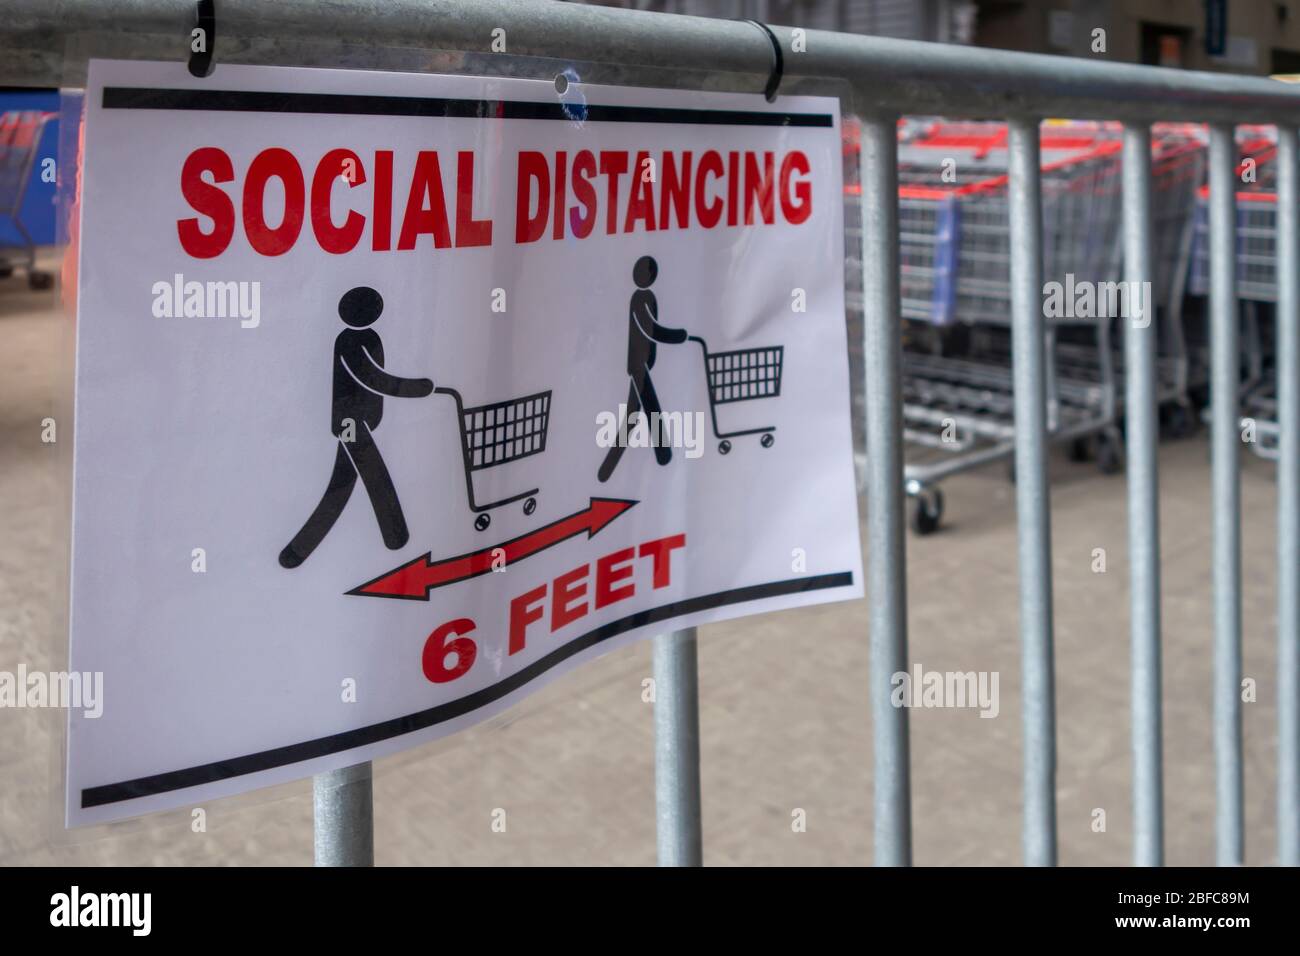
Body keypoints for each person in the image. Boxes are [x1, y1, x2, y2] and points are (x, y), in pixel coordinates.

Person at [279, 286, 433, 568]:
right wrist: (417, 389)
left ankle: (297, 551)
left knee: (341, 487)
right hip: (351, 421)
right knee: (374, 478)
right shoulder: (350, 341)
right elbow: (371, 377)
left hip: (359, 420)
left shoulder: (365, 337)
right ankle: (395, 536)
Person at [598, 256, 688, 482]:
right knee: (649, 410)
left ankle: (609, 468)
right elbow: (650, 330)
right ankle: (663, 453)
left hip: (643, 363)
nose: (645, 276)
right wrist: (679, 336)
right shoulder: (640, 299)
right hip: (638, 364)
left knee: (634, 414)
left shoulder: (646, 297)